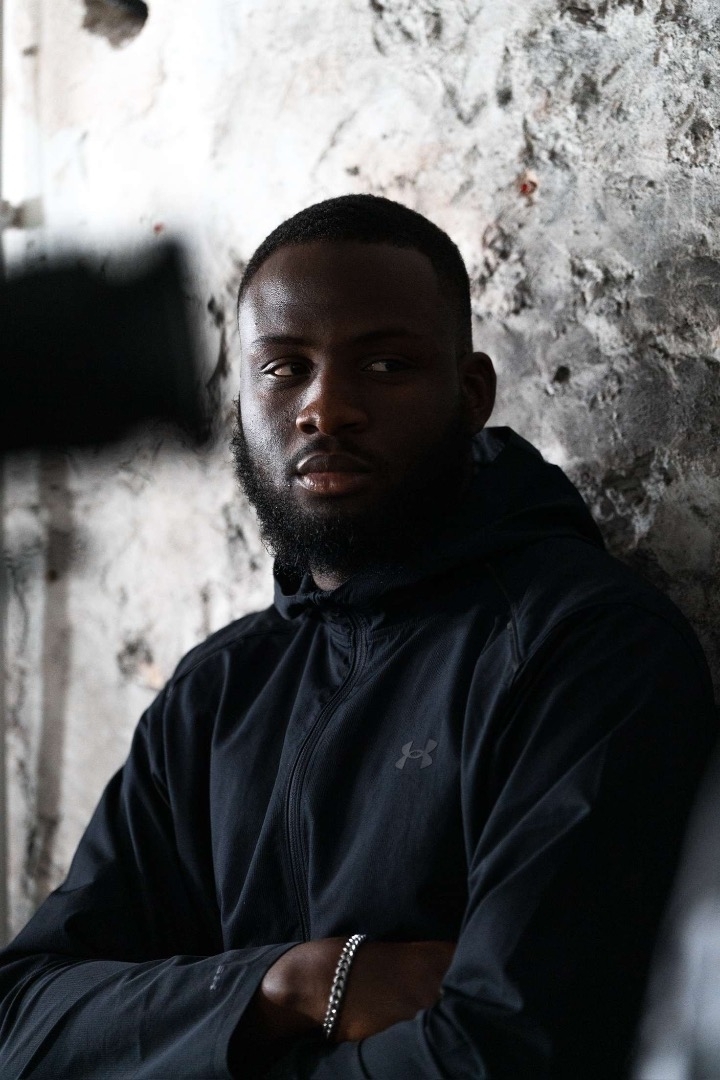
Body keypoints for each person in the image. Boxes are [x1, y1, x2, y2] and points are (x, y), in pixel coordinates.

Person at [0, 194, 716, 1079]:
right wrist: (292, 985)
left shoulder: (584, 651)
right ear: (241, 400)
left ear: (471, 395)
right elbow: (22, 1017)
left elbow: (503, 1056)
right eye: (283, 368)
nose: (325, 408)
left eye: (384, 364)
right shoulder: (216, 691)